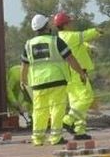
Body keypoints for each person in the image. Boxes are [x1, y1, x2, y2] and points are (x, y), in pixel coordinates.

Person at [21, 13, 86, 146]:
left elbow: (24, 66)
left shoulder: (28, 45)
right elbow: (70, 59)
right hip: (57, 80)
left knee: (39, 110)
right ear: (46, 26)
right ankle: (56, 138)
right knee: (57, 108)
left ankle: (38, 139)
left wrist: (23, 81)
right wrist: (81, 73)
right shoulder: (56, 41)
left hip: (38, 83)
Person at [53, 11, 103, 139]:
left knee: (76, 103)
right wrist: (97, 30)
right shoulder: (71, 36)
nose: (72, 24)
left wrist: (87, 46)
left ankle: (79, 130)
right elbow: (84, 35)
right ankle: (68, 120)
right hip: (78, 73)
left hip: (68, 74)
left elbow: (78, 43)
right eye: (69, 22)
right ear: (65, 25)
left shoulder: (60, 38)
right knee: (87, 98)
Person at [4, 63, 31, 127]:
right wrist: (15, 103)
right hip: (12, 87)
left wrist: (23, 106)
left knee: (24, 103)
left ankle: (31, 119)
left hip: (19, 86)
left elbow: (27, 95)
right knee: (13, 106)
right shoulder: (15, 76)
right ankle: (14, 124)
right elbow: (8, 91)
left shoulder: (29, 77)